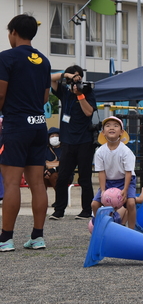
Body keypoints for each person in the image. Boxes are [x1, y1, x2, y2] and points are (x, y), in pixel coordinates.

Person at [0, 14, 52, 252]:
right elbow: (43, 98)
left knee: (11, 183)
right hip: (39, 124)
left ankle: (6, 238)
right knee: (37, 184)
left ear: (13, 32)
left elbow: (1, 94)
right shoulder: (43, 61)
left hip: (16, 124)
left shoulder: (6, 57)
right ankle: (37, 237)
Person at [49, 65, 97, 221]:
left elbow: (89, 112)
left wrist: (80, 95)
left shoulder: (88, 92)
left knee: (84, 178)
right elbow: (50, 79)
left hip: (84, 141)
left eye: (78, 76)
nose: (76, 79)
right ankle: (59, 210)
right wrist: (65, 75)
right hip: (68, 142)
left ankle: (86, 210)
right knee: (62, 177)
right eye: (73, 77)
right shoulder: (64, 92)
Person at [90, 116, 137, 228]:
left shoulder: (126, 151)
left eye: (116, 126)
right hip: (108, 181)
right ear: (103, 132)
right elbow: (101, 172)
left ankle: (131, 230)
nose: (112, 128)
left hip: (125, 180)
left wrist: (125, 190)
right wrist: (102, 190)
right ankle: (100, 228)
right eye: (108, 126)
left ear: (121, 132)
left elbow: (128, 172)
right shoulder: (100, 151)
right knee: (94, 204)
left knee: (130, 203)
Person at [44, 127, 61, 194]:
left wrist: (52, 170)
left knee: (53, 176)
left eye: (56, 136)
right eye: (52, 136)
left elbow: (67, 164)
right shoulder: (45, 149)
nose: (54, 138)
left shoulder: (65, 149)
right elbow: (41, 161)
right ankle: (42, 200)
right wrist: (45, 171)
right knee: (41, 179)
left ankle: (60, 198)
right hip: (47, 172)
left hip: (62, 174)